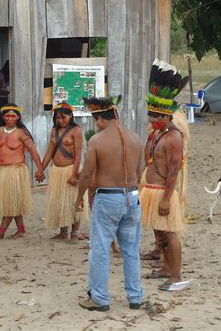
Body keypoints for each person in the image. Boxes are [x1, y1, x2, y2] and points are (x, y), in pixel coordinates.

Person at [74, 95, 143, 312]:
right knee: (131, 250)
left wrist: (79, 198)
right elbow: (139, 172)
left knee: (100, 249)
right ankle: (135, 296)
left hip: (108, 197)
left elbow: (86, 174)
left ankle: (100, 298)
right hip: (132, 196)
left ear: (100, 119)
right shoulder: (135, 138)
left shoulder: (97, 140)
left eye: (96, 121)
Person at [140, 59, 190, 291]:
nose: (152, 119)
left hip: (163, 192)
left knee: (170, 234)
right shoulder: (157, 133)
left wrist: (168, 198)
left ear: (167, 115)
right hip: (152, 191)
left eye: (157, 116)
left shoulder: (174, 137)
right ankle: (166, 268)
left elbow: (173, 171)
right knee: (160, 233)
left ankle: (176, 274)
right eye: (150, 115)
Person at [0, 103, 45, 240]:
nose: (10, 118)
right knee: (13, 201)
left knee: (10, 202)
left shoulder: (21, 132)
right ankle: (21, 230)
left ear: (18, 117)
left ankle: (1, 231)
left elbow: (33, 151)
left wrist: (40, 169)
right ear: (3, 117)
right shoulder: (1, 130)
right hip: (3, 171)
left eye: (13, 116)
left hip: (16, 172)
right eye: (7, 116)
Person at [41, 103, 85, 241]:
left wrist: (74, 174)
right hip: (57, 171)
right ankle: (63, 231)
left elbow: (78, 154)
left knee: (73, 200)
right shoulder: (54, 131)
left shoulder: (76, 130)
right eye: (57, 118)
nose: (60, 120)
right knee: (60, 201)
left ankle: (75, 232)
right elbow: (49, 151)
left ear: (70, 116)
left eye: (63, 117)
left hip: (70, 169)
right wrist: (41, 169)